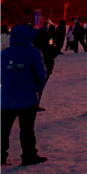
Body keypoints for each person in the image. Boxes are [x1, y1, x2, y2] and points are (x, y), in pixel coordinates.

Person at [1, 25, 48, 166]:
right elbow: (41, 74)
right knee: (27, 129)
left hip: (7, 97)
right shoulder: (34, 52)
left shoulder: (4, 53)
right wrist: (38, 90)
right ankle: (28, 155)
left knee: (3, 130)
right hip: (28, 97)